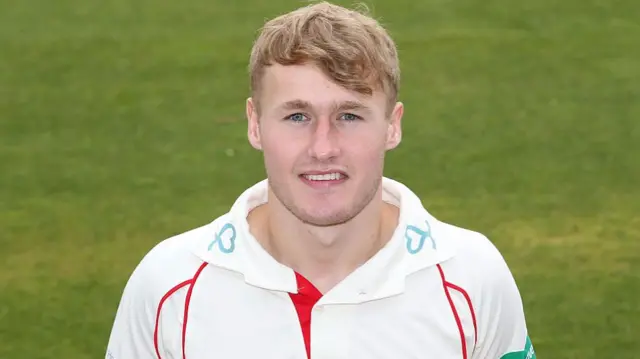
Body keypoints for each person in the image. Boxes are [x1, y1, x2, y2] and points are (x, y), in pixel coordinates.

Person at [105, 2, 536, 359]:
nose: (323, 147)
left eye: (349, 115)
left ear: (392, 125)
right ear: (254, 125)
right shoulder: (168, 287)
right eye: (297, 116)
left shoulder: (472, 277)